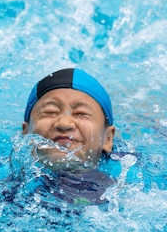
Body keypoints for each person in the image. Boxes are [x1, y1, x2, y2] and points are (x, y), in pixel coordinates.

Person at [13, 68, 118, 206]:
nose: (64, 123)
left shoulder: (130, 180)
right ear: (26, 132)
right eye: (50, 112)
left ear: (108, 138)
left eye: (81, 113)